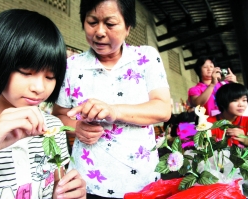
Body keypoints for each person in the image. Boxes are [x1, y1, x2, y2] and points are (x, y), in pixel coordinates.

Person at [52, 0, 171, 198]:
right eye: (92, 22)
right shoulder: (71, 66)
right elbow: (58, 116)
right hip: (86, 183)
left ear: (128, 27)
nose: (99, 31)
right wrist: (76, 127)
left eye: (110, 23)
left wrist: (114, 111)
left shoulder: (146, 58)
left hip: (141, 180)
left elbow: (162, 109)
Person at [0, 9, 86, 199]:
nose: (39, 87)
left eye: (50, 76)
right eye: (26, 71)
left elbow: (57, 186)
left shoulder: (53, 128)